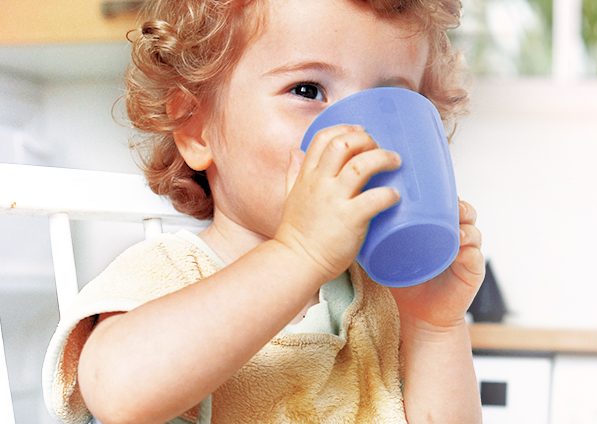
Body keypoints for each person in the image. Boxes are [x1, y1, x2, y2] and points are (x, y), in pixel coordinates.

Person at [40, 0, 485, 422]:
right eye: (307, 90)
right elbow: (117, 393)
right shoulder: (170, 273)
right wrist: (300, 254)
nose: (356, 134)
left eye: (388, 97)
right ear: (196, 128)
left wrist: (433, 326)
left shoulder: (382, 301)